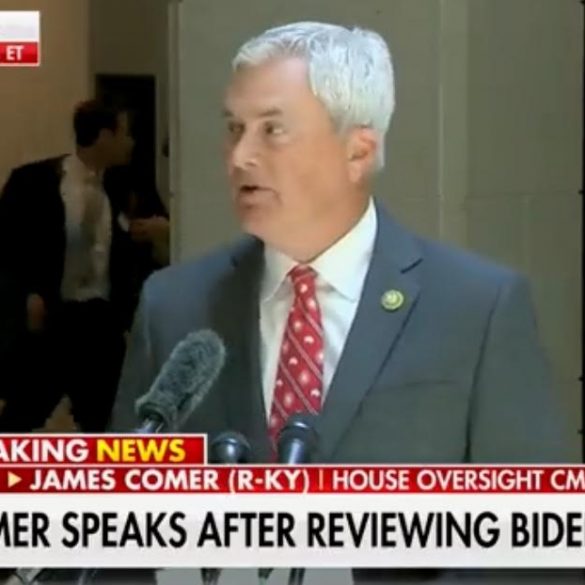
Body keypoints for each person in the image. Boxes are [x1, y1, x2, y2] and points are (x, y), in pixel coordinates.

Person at [110, 22, 574, 584]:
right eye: (234, 129)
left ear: (359, 150)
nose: (240, 156)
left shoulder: (478, 308)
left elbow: (535, 549)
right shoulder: (175, 305)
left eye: (272, 130)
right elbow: (121, 541)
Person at [0, 100, 168, 433]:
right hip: (53, 316)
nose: (131, 143)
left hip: (101, 320)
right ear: (104, 136)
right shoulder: (33, 182)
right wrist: (26, 295)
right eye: (125, 134)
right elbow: (7, 247)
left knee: (107, 418)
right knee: (23, 413)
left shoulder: (127, 187)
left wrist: (161, 231)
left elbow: (163, 233)